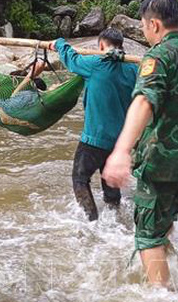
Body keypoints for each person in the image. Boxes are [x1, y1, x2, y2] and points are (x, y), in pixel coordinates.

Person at [103, 0, 178, 288]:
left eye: (144, 25)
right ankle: (169, 267)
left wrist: (121, 151)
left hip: (164, 162)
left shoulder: (159, 55)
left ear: (154, 25)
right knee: (164, 220)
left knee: (147, 233)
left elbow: (143, 102)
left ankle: (162, 300)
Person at [49, 28, 138, 221]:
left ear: (101, 46)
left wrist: (59, 43)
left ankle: (92, 221)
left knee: (80, 179)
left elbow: (71, 60)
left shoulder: (95, 64)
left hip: (94, 139)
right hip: (120, 142)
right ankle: (115, 216)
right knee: (110, 179)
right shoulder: (134, 70)